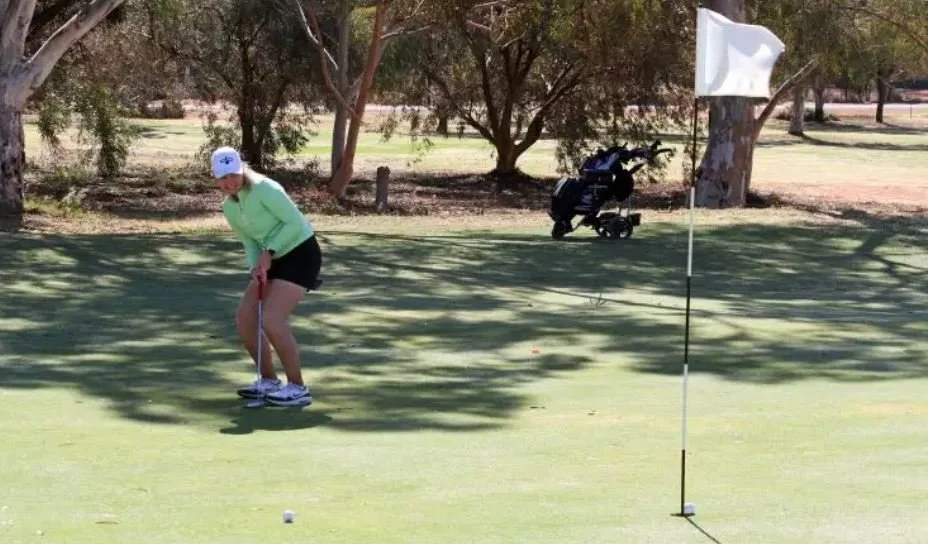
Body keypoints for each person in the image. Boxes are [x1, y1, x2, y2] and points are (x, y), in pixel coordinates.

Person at [211, 146, 321, 407]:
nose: (229, 182)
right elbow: (249, 240)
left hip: (300, 254)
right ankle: (269, 380)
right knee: (245, 318)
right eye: (223, 177)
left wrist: (269, 252)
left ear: (242, 170)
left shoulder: (264, 189)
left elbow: (296, 222)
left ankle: (297, 387)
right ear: (215, 178)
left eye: (233, 175)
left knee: (272, 318)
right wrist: (255, 268)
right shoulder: (229, 207)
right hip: (269, 259)